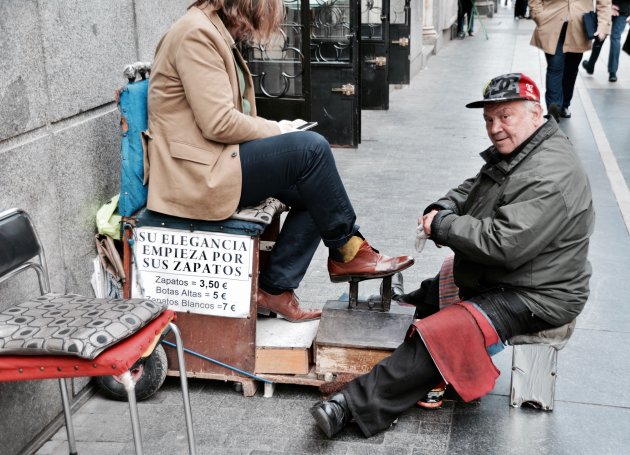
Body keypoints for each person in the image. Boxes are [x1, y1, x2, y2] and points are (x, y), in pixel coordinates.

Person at [310, 73, 595, 438]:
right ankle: (392, 342)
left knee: (447, 332)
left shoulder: (550, 171)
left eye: (505, 116)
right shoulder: (526, 148)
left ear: (535, 113)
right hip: (518, 275)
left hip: (540, 293)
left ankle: (350, 405)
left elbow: (503, 244)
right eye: (489, 120)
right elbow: (474, 188)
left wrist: (442, 226)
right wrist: (441, 207)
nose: (495, 128)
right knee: (434, 290)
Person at [145, 0, 414, 323]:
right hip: (196, 175)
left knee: (318, 191)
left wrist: (279, 133)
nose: (262, 22)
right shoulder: (196, 34)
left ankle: (276, 288)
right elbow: (217, 123)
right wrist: (278, 130)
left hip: (213, 160)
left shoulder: (209, 30)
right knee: (311, 150)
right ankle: (348, 250)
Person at [529, 0, 612, 120]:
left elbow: (604, 2)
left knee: (571, 71)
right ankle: (554, 109)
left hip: (579, 27)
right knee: (555, 67)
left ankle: (564, 105)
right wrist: (539, 16)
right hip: (551, 24)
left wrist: (603, 25)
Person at [582, 1, 630, 82]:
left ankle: (590, 66)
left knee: (601, 36)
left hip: (607, 6)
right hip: (623, 10)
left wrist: (609, 6)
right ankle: (613, 73)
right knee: (615, 38)